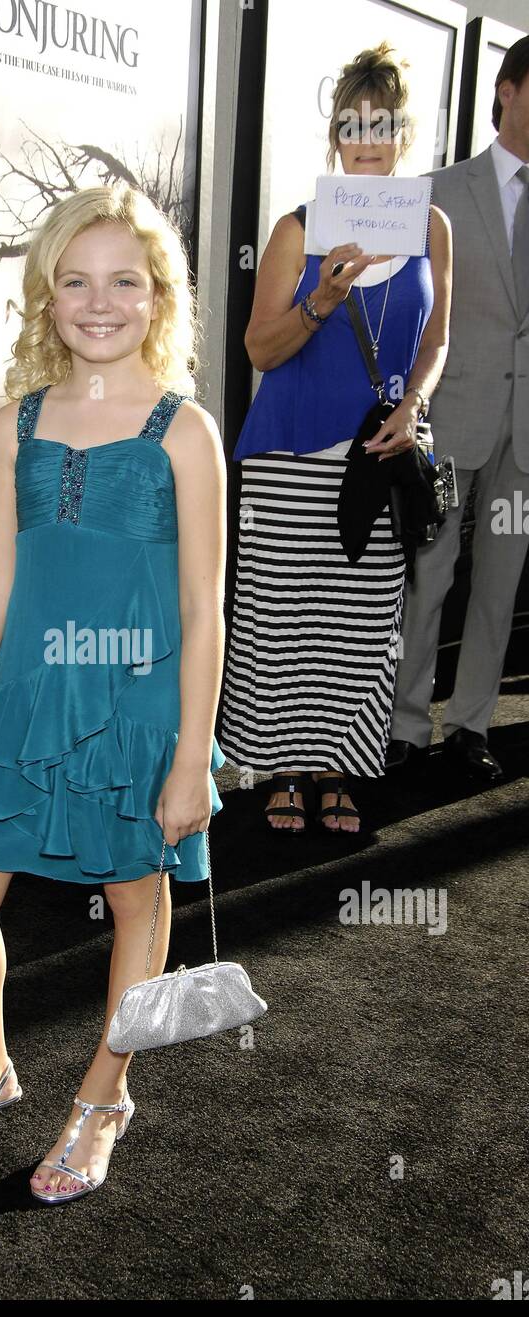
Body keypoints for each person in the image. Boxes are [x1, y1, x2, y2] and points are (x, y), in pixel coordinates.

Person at [0, 186, 228, 1203]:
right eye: (74, 280)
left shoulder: (183, 430)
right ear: (46, 298)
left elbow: (205, 610)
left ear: (158, 297)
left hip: (139, 710)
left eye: (124, 279)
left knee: (132, 897)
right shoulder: (11, 425)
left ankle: (103, 1096)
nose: (98, 300)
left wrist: (188, 758)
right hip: (28, 704)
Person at [219, 43, 451, 834]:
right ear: (334, 133)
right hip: (288, 454)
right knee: (282, 616)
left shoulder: (431, 226)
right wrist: (319, 297)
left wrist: (414, 403)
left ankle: (336, 769)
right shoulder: (296, 226)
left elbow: (436, 338)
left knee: (357, 624)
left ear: (402, 134)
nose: (366, 137)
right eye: (351, 122)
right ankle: (281, 769)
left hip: (378, 456)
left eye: (381, 123)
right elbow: (258, 350)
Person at [386, 35, 529, 783]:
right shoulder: (436, 190)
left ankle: (470, 723)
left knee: (500, 584)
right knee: (429, 575)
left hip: (526, 435)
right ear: (505, 89)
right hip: (449, 414)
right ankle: (405, 724)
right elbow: (405, 305)